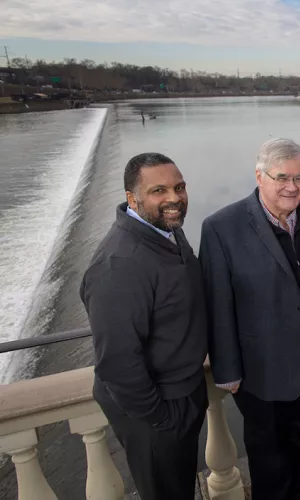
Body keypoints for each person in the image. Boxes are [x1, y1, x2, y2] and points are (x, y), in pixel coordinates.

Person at [199, 138, 300, 500]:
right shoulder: (221, 227)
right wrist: (228, 372)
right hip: (262, 379)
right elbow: (217, 303)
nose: (292, 187)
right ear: (259, 177)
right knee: (270, 470)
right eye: (282, 178)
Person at [80, 152, 208, 500]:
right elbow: (117, 362)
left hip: (184, 393)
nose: (174, 198)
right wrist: (162, 419)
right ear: (131, 198)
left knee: (181, 488)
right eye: (159, 190)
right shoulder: (119, 265)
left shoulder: (166, 231)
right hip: (156, 413)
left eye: (179, 187)